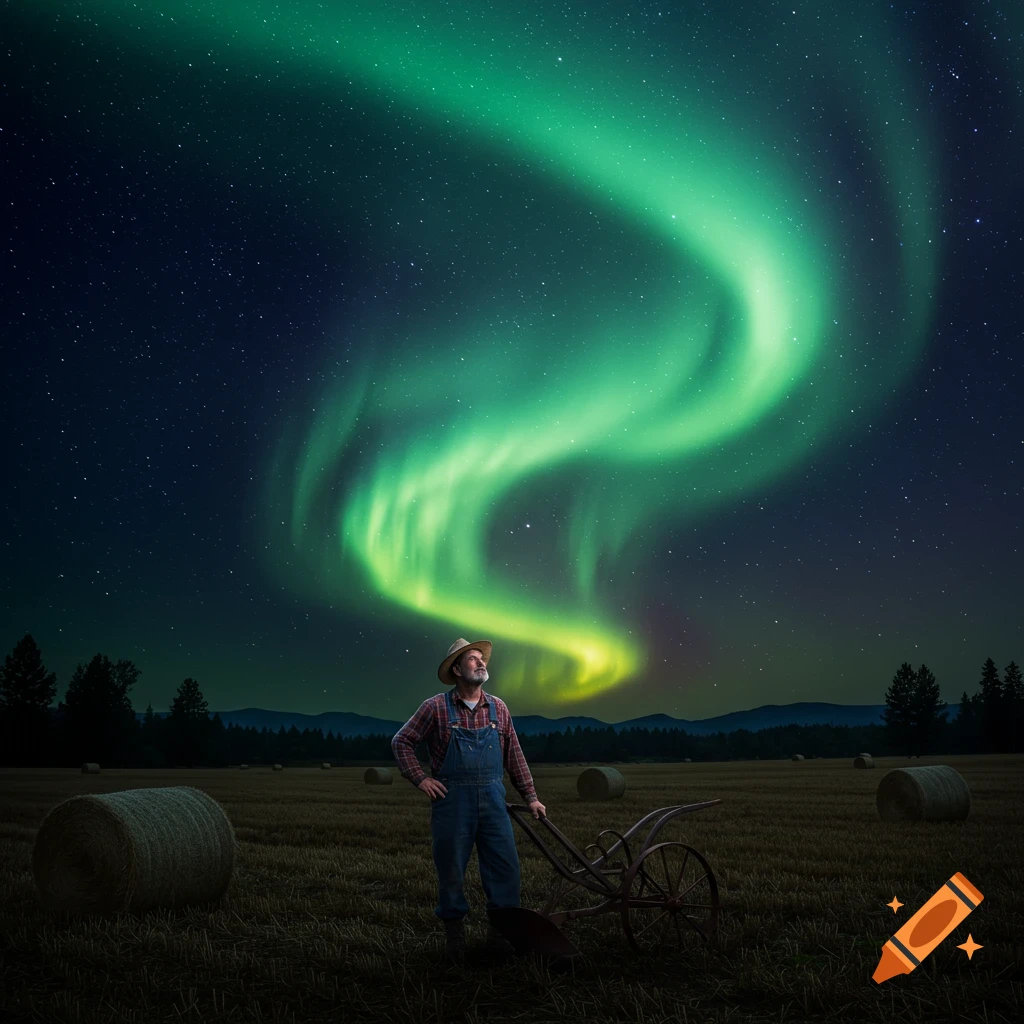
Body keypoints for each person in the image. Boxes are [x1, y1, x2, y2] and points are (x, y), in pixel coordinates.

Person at [391, 637, 546, 964]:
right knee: (451, 870)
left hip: (493, 800)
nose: (480, 663)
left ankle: (500, 936)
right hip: (452, 802)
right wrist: (421, 778)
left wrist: (530, 796)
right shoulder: (434, 707)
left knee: (506, 868)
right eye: (472, 659)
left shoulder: (498, 708)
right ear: (457, 669)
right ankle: (455, 938)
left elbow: (514, 756)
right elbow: (401, 741)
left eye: (481, 658)